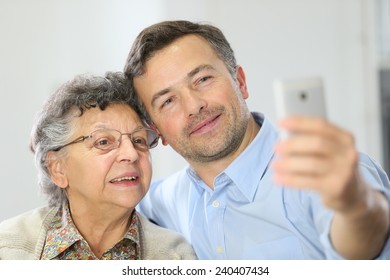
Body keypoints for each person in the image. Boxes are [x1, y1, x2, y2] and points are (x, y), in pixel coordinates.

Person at [123, 20, 390, 260]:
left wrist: (355, 205)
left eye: (203, 79)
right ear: (155, 130)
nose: (194, 106)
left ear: (241, 82)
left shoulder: (330, 175)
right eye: (168, 101)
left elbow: (364, 245)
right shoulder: (161, 199)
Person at [0, 71, 197, 260]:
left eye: (139, 140)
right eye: (103, 142)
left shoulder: (177, 257)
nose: (131, 154)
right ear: (58, 168)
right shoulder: (7, 250)